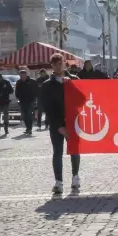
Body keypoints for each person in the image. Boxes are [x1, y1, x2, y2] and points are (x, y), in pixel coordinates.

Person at [40, 54, 81, 194]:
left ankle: (75, 177)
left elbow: (82, 100)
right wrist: (59, 126)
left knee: (74, 150)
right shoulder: (47, 85)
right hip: (56, 125)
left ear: (65, 64)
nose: (59, 66)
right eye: (55, 63)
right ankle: (59, 182)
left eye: (61, 63)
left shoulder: (74, 80)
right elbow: (47, 108)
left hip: (73, 121)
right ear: (52, 66)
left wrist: (70, 85)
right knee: (57, 152)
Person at [13, 67, 39, 135]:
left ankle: (29, 128)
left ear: (26, 75)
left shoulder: (32, 81)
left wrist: (34, 98)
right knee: (24, 115)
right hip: (22, 101)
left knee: (29, 114)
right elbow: (17, 91)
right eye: (21, 75)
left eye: (23, 75)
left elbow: (36, 90)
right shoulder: (18, 82)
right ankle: (27, 127)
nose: (22, 76)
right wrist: (18, 97)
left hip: (30, 100)